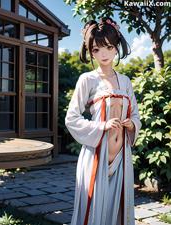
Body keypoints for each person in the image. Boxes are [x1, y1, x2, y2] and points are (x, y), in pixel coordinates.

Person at [65, 17, 142, 225]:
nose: (104, 54)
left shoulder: (125, 81)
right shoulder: (87, 79)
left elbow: (136, 115)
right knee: (94, 210)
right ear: (91, 52)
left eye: (108, 47)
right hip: (96, 155)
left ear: (116, 48)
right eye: (97, 49)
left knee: (117, 210)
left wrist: (131, 124)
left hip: (121, 156)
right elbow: (71, 118)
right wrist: (102, 126)